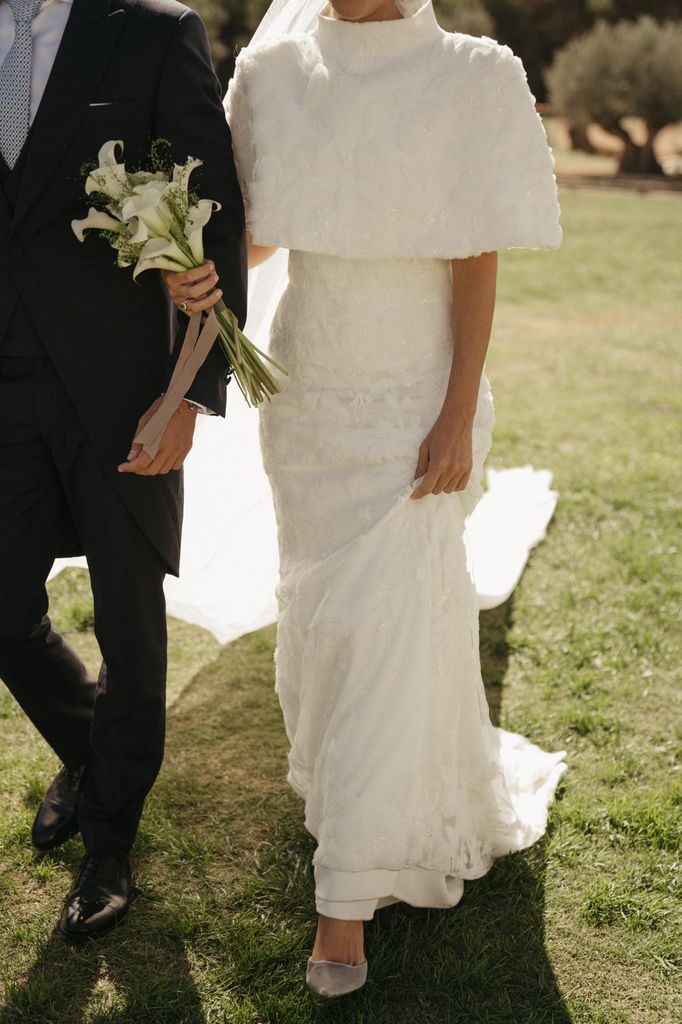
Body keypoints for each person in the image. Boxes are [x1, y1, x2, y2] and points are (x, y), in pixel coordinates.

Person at [167, 0, 567, 998]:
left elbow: (474, 260)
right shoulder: (273, 74)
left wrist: (455, 407)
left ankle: (343, 896)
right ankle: (353, 791)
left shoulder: (473, 73)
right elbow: (262, 235)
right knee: (326, 615)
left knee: (389, 618)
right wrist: (193, 267)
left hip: (413, 396)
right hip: (304, 399)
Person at [0, 0, 246, 940]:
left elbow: (214, 218)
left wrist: (189, 394)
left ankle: (109, 842)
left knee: (131, 624)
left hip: (122, 394)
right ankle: (94, 753)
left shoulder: (151, 31)